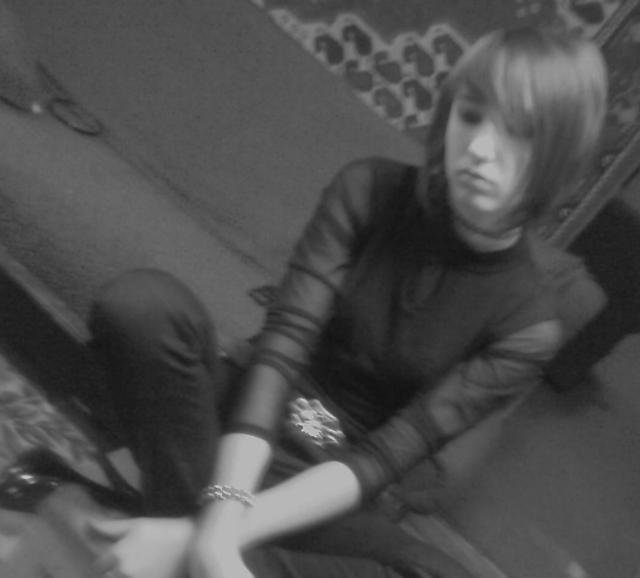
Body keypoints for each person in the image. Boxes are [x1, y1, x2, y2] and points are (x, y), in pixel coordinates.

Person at [81, 24, 608, 578]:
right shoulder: (368, 189)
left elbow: (386, 456)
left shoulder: (528, 326)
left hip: (327, 480)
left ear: (559, 159)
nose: (478, 149)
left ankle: (174, 533)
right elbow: (282, 348)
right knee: (141, 306)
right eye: (471, 115)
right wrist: (215, 533)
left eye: (518, 133)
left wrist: (202, 536)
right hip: (241, 415)